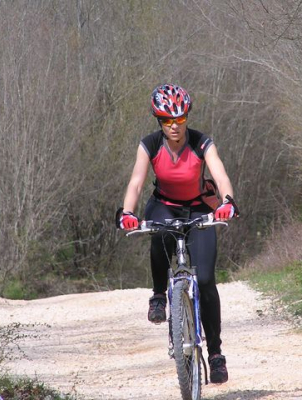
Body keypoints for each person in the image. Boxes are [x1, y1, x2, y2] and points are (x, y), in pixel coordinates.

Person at [117, 83, 239, 384]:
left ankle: (215, 354)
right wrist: (128, 213)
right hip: (164, 206)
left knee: (206, 280)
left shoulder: (201, 142)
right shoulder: (150, 145)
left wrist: (227, 202)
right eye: (167, 120)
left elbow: (220, 174)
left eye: (180, 119)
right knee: (158, 231)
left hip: (198, 209)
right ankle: (159, 296)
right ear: (159, 121)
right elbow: (136, 182)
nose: (174, 126)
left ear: (187, 117)